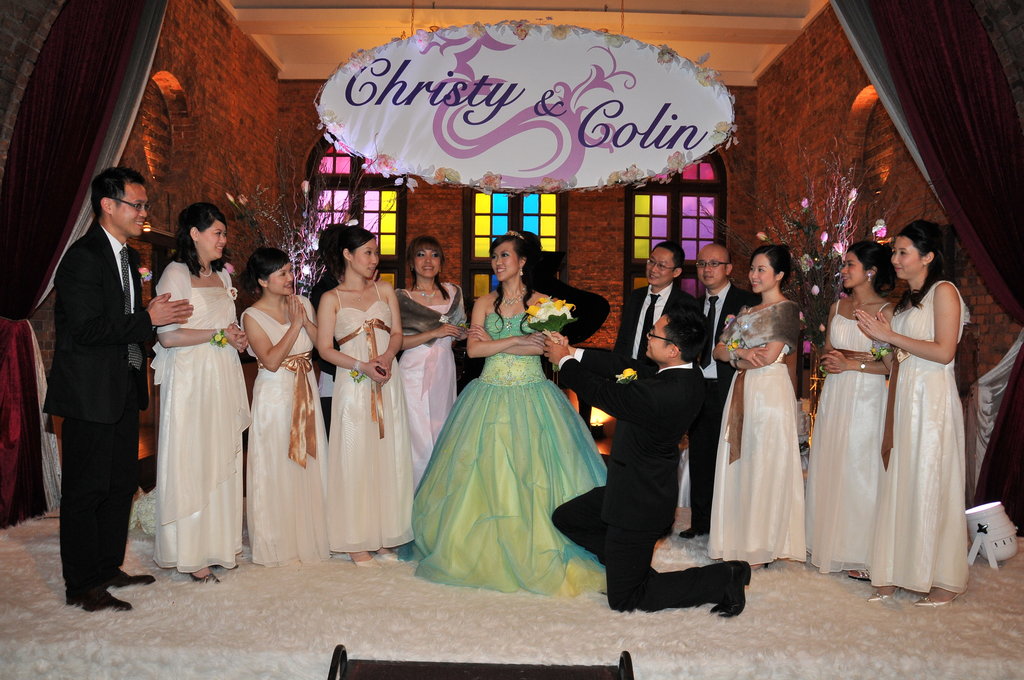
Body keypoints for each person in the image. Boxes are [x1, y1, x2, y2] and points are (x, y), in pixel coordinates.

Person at [408, 231, 607, 596]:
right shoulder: (484, 303)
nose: (497, 262)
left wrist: (501, 344)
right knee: (484, 472)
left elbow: (545, 350)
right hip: (487, 395)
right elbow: (474, 350)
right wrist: (516, 340)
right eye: (494, 256)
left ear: (522, 261)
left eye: (504, 255)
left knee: (535, 473)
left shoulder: (546, 303)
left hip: (533, 395)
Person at [45, 167, 192, 611]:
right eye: (137, 205)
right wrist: (148, 318)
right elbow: (87, 329)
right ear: (108, 205)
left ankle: (108, 567)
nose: (144, 213)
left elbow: (124, 322)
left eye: (145, 205)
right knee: (86, 490)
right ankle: (81, 585)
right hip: (89, 393)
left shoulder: (128, 257)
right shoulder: (82, 257)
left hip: (123, 387)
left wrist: (147, 317)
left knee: (119, 484)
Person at [546, 305, 752, 615]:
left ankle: (724, 577)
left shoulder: (665, 393)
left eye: (653, 334)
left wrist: (564, 362)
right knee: (567, 518)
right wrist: (574, 352)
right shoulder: (684, 373)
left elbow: (604, 394)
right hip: (628, 488)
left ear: (672, 350)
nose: (647, 336)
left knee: (626, 598)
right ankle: (627, 567)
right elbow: (623, 366)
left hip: (639, 506)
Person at [855, 220, 970, 606]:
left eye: (903, 252)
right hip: (904, 395)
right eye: (895, 251)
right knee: (901, 479)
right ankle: (897, 568)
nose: (895, 258)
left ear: (928, 256)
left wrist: (890, 336)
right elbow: (899, 359)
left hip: (932, 400)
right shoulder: (906, 302)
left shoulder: (944, 292)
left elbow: (944, 352)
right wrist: (880, 343)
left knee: (931, 480)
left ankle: (943, 579)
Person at [152, 202, 251, 583]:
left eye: (224, 234)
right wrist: (217, 334)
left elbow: (225, 325)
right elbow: (168, 336)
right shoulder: (176, 274)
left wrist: (235, 336)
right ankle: (191, 552)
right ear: (194, 233)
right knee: (194, 456)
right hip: (191, 379)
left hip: (222, 374)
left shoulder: (223, 276)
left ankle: (218, 544)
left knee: (220, 453)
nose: (223, 240)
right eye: (217, 233)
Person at [315, 226, 413, 566]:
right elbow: (324, 349)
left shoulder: (385, 290)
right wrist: (362, 365)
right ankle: (356, 539)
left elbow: (397, 333)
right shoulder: (331, 298)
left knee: (388, 454)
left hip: (387, 380)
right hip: (354, 382)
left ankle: (384, 534)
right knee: (354, 455)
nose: (375, 259)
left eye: (376, 252)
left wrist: (386, 357)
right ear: (347, 254)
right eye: (368, 252)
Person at [708, 244, 804, 567]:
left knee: (764, 462)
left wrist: (737, 356)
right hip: (743, 389)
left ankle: (761, 546)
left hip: (769, 393)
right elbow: (718, 350)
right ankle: (737, 539)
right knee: (742, 461)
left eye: (761, 269)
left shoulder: (786, 309)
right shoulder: (746, 311)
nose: (753, 275)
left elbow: (767, 357)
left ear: (779, 275)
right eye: (752, 268)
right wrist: (741, 354)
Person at [805, 241, 894, 578]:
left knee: (860, 468)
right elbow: (828, 350)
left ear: (870, 271)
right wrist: (828, 361)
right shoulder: (836, 307)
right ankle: (829, 542)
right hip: (836, 394)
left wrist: (852, 365)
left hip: (867, 396)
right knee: (831, 461)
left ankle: (861, 551)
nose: (843, 270)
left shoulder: (886, 311)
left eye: (850, 264)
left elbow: (890, 366)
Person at [240, 248, 330, 566]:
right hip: (274, 396)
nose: (290, 278)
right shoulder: (251, 316)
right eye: (282, 273)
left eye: (291, 271)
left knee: (309, 460)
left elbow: (321, 345)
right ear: (263, 281)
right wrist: (295, 325)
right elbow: (271, 360)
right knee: (276, 464)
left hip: (306, 390)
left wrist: (304, 319)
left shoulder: (302, 302)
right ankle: (277, 541)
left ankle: (310, 535)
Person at [680, 243, 759, 539]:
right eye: (701, 264)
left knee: (732, 455)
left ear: (729, 268)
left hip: (733, 385)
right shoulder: (692, 306)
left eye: (714, 263)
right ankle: (701, 522)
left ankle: (732, 524)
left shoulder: (747, 302)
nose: (707, 269)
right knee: (700, 456)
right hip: (699, 388)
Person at [396, 235, 467, 487]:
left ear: (441, 262)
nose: (428, 260)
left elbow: (458, 332)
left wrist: (462, 334)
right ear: (411, 262)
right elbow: (397, 343)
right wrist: (435, 333)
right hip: (412, 371)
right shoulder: (401, 297)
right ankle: (413, 493)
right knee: (416, 434)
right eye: (421, 254)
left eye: (434, 255)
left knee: (442, 429)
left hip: (445, 369)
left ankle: (438, 493)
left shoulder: (454, 293)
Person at [614, 241, 696, 365]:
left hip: (663, 373)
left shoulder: (685, 304)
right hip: (629, 371)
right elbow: (623, 339)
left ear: (676, 272)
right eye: (651, 262)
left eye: (661, 266)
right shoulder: (635, 296)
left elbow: (686, 350)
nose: (653, 269)